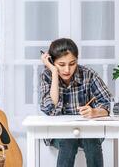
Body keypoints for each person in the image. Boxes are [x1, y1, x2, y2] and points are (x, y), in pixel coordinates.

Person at [40, 38, 112, 167]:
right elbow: (50, 108)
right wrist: (54, 72)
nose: (67, 70)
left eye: (72, 63)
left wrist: (95, 112)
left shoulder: (88, 74)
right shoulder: (47, 75)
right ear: (51, 62)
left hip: (88, 131)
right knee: (68, 140)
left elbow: (108, 103)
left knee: (91, 139)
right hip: (59, 134)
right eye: (61, 65)